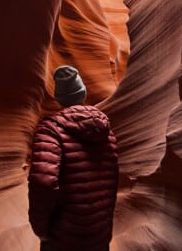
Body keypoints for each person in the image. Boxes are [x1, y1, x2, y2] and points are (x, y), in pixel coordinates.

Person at [28, 65, 119, 251]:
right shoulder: (106, 130)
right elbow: (111, 181)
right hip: (99, 236)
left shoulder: (50, 130)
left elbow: (43, 183)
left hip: (64, 239)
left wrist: (41, 229)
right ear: (83, 93)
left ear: (59, 98)